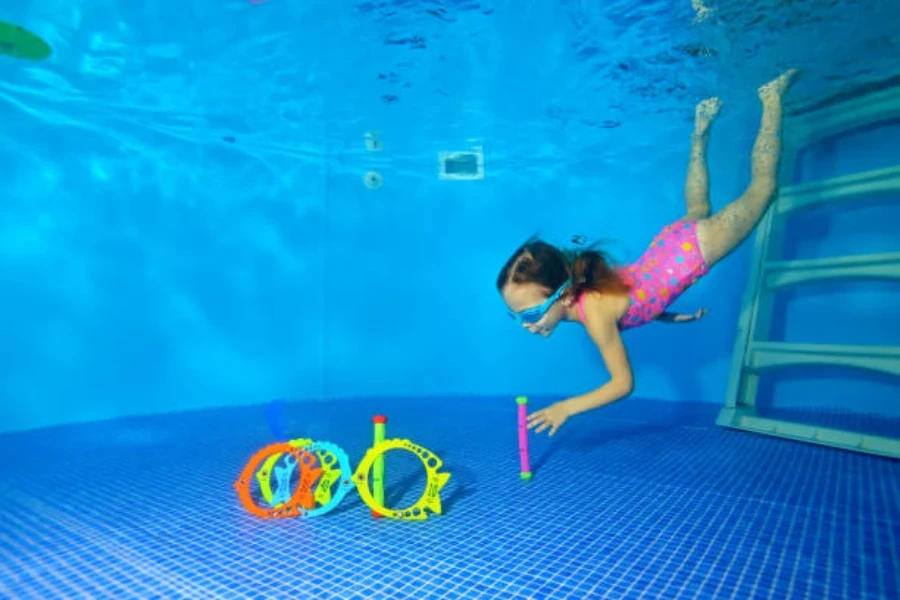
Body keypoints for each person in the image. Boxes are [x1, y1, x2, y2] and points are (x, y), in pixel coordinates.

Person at [496, 69, 798, 436]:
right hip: (673, 240)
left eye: (530, 313)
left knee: (763, 190)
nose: (528, 325)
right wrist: (667, 316)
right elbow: (639, 293)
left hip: (695, 251)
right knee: (698, 206)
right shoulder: (592, 288)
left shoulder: (594, 315)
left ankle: (771, 97)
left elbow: (623, 384)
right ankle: (700, 132)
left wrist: (566, 408)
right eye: (517, 317)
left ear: (564, 294)